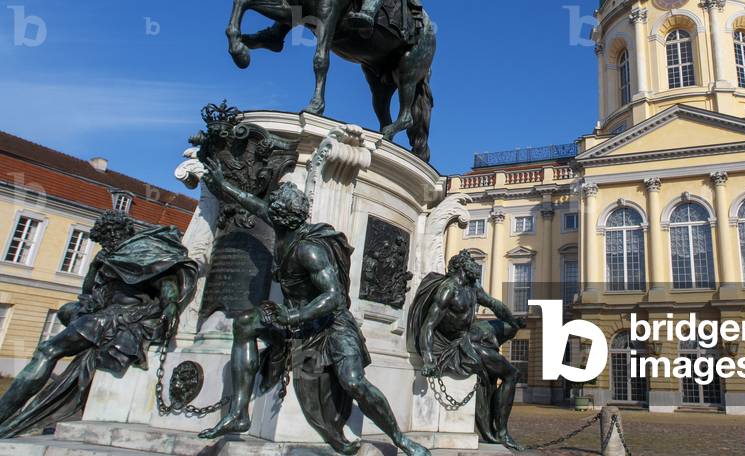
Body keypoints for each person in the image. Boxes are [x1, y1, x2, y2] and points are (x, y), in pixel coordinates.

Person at [197, 164, 429, 456]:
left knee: (354, 381)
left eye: (273, 205)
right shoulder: (280, 225)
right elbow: (250, 201)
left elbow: (333, 297)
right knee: (244, 324)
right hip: (296, 319)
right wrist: (222, 183)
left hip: (331, 323)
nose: (267, 208)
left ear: (282, 216)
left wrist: (292, 315)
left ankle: (399, 438)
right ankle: (240, 412)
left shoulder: (308, 250)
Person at [0, 211, 198, 437]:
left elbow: (166, 281)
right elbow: (87, 293)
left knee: (48, 350)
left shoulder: (139, 252)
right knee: (65, 313)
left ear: (114, 233)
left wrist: (171, 304)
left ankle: (5, 416)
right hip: (103, 312)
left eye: (104, 238)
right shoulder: (111, 255)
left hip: (117, 317)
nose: (104, 243)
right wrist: (95, 265)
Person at [407, 250, 526, 451]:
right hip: (457, 344)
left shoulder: (471, 288)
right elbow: (428, 325)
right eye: (471, 263)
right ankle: (502, 433)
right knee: (512, 374)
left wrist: (513, 320)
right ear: (462, 266)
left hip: (470, 333)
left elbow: (495, 305)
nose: (475, 266)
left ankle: (490, 356)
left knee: (510, 327)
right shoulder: (448, 289)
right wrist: (428, 358)